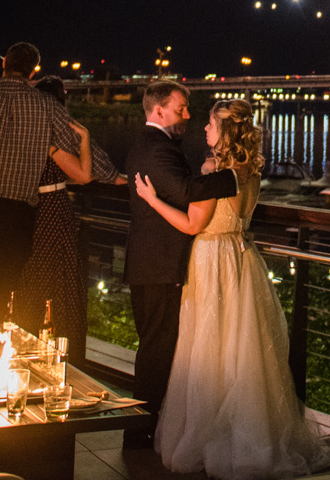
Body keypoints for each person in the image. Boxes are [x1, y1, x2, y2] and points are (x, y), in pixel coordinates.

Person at [136, 98, 330, 479]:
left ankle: (213, 431)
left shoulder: (214, 169)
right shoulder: (251, 170)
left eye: (210, 125)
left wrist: (152, 199)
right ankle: (253, 433)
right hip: (243, 257)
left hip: (212, 258)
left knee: (210, 346)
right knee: (245, 349)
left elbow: (193, 225)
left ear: (224, 130)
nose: (204, 130)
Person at [123, 78, 241, 450]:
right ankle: (141, 432)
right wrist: (235, 175)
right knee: (158, 350)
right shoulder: (159, 149)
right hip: (159, 263)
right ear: (158, 110)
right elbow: (188, 192)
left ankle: (145, 427)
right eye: (181, 108)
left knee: (153, 346)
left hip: (147, 260)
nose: (188, 115)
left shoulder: (148, 144)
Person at [0, 41, 91, 324]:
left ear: (4, 65)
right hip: (12, 212)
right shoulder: (47, 106)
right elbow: (73, 148)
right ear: (33, 71)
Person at [16, 74, 122, 350]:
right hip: (52, 210)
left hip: (26, 210)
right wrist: (85, 139)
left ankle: (26, 333)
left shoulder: (22, 131)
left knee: (32, 274)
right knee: (59, 276)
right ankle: (60, 339)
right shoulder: (55, 134)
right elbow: (85, 175)